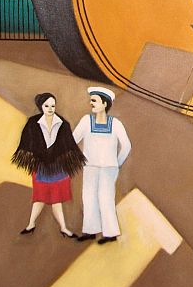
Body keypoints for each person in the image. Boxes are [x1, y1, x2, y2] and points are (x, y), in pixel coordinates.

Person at [11, 92, 86, 238]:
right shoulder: (33, 123)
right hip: (41, 166)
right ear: (41, 107)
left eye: (53, 106)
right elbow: (26, 142)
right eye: (47, 106)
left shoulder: (63, 124)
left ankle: (63, 228)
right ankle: (31, 224)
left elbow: (69, 145)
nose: (50, 109)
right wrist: (35, 157)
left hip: (58, 168)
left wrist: (65, 159)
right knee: (39, 197)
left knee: (56, 200)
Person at [72, 86, 131, 244]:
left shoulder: (115, 123)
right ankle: (91, 230)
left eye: (94, 100)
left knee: (106, 198)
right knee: (88, 197)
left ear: (104, 104)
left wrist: (117, 164)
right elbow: (72, 140)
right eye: (91, 100)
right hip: (90, 166)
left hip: (108, 169)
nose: (91, 103)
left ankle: (111, 233)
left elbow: (126, 146)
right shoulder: (86, 121)